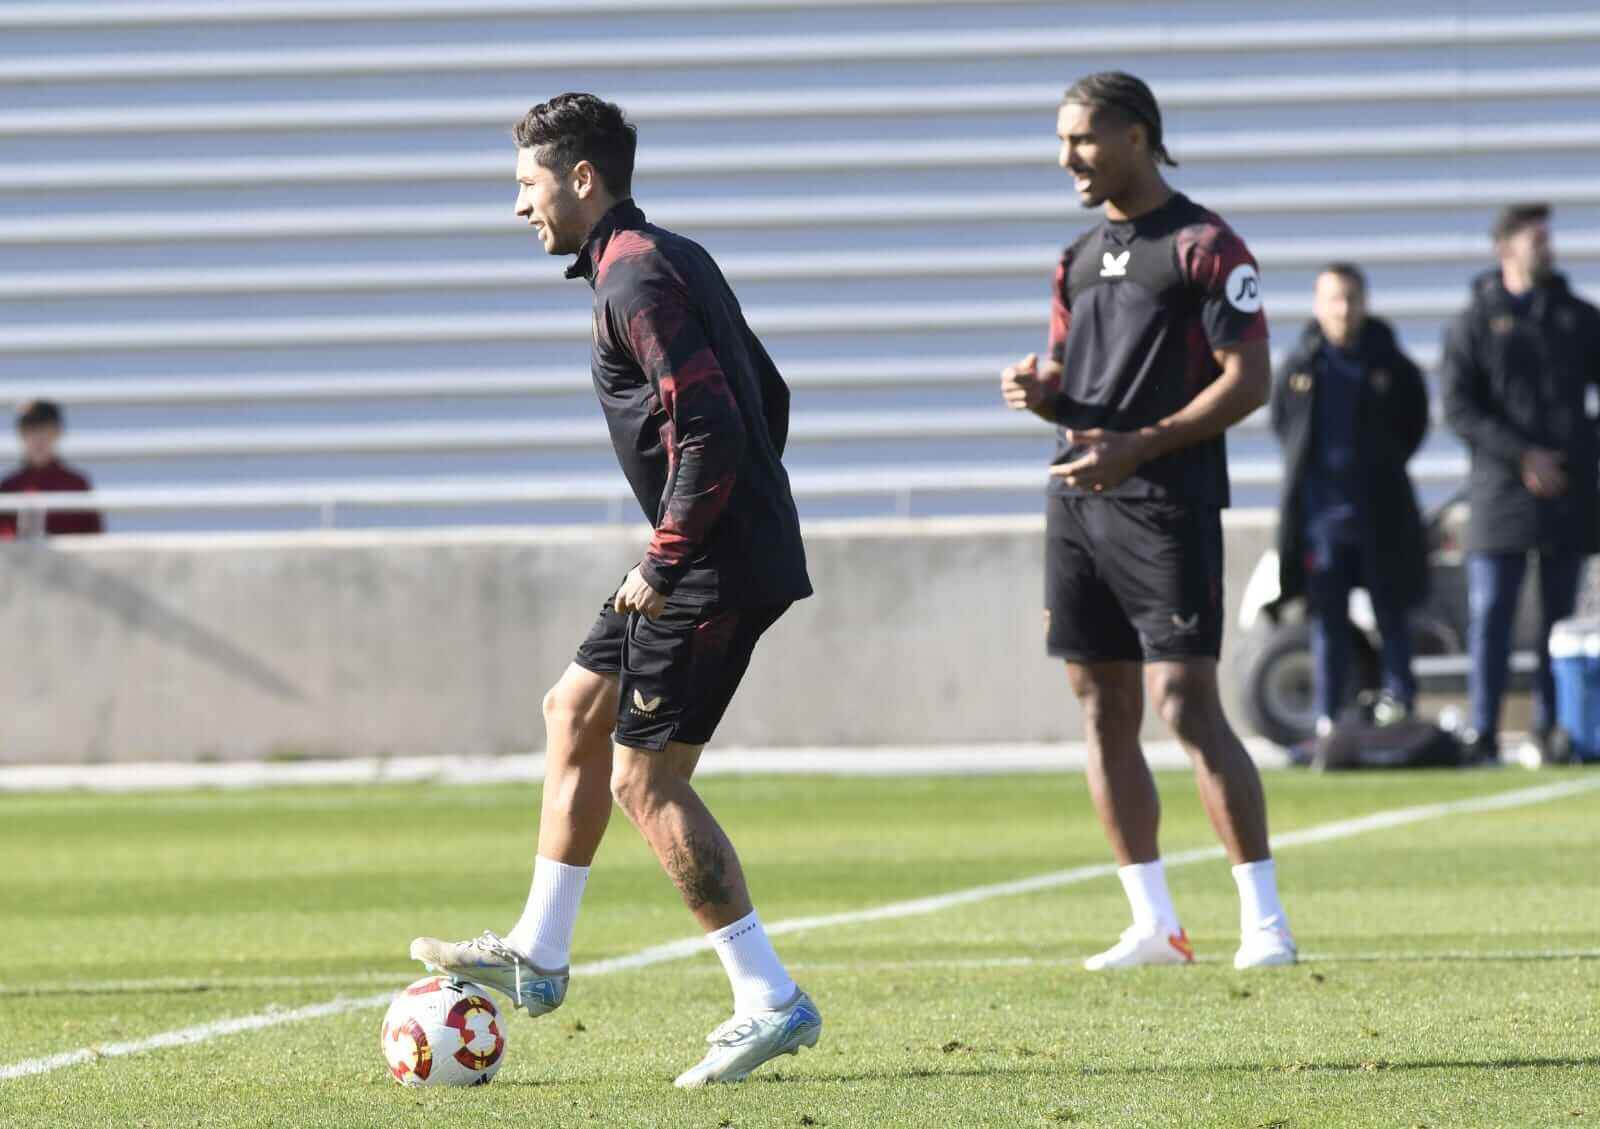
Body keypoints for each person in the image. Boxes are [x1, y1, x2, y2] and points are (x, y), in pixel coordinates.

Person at [410, 93, 820, 1087]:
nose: (519, 206)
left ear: (580, 178)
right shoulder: (665, 257)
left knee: (646, 780)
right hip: (708, 546)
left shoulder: (634, 280)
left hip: (701, 563)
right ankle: (539, 953)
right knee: (574, 707)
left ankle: (768, 996)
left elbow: (717, 423)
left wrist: (675, 550)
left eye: (526, 184)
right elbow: (769, 396)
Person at [1001, 72, 1294, 971]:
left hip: (1167, 503)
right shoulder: (1078, 258)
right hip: (1078, 498)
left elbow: (1249, 380)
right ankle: (1155, 923)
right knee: (1101, 705)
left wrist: (1142, 444)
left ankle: (1265, 923)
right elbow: (1080, 380)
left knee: (1184, 702)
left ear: (1136, 136)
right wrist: (1044, 394)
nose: (1067, 158)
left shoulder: (1207, 245)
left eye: (1083, 138)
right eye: (1060, 140)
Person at [1441, 203, 1600, 766]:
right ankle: (1484, 732)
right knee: (1492, 614)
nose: (1548, 249)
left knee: (1561, 621)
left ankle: (1554, 729)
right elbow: (1459, 408)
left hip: (1567, 492)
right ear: (1507, 247)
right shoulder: (1473, 323)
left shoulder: (1578, 318)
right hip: (1499, 494)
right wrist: (1521, 455)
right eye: (1537, 239)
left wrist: (1580, 449)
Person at [1270, 264, 1430, 740]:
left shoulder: (1391, 365)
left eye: (1351, 299)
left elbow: (1413, 425)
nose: (1343, 309)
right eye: (1334, 299)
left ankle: (1400, 709)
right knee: (1328, 624)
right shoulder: (1300, 367)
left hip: (1381, 518)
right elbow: (1286, 427)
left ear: (1364, 303)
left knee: (1393, 616)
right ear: (1318, 306)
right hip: (1322, 522)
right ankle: (1329, 718)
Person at [0, 400, 103, 538]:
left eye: (45, 429)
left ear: (58, 432)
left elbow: (94, 539)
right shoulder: (9, 487)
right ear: (22, 434)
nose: (38, 437)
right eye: (31, 429)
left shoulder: (76, 484)